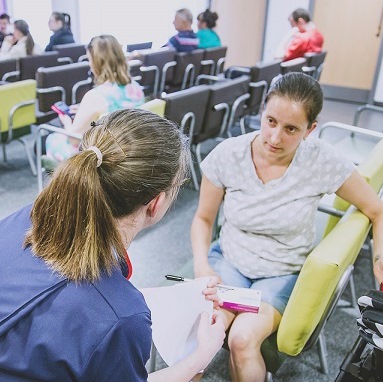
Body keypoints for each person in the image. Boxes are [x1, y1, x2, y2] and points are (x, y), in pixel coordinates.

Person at [0, 108, 226, 381]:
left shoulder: (26, 217)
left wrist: (130, 299)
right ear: (156, 203)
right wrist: (201, 356)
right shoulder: (123, 320)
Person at [191, 72, 383, 382]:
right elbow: (203, 218)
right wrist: (202, 265)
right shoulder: (228, 155)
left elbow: (377, 210)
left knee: (243, 338)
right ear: (261, 113)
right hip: (228, 261)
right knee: (206, 328)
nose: (275, 138)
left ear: (310, 130)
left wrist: (379, 259)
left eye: (291, 129)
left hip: (281, 272)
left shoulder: (321, 160)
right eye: (270, 121)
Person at [45, 34, 145, 162]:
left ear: (97, 62)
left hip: (102, 157)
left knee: (52, 138)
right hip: (128, 150)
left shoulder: (96, 96)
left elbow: (73, 138)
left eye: (89, 60)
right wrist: (84, 109)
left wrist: (66, 122)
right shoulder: (135, 88)